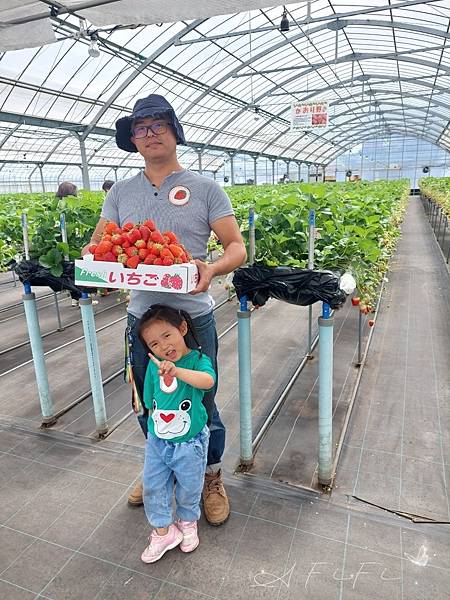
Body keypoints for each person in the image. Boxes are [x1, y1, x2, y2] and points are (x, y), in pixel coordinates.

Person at [82, 94, 247, 526]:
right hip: (142, 318)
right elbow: (101, 243)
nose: (150, 134)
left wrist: (211, 269)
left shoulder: (206, 188)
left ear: (175, 133)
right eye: (141, 128)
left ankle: (210, 475)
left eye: (159, 126)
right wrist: (92, 258)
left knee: (201, 399)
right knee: (147, 399)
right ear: (133, 140)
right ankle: (161, 467)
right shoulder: (120, 192)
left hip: (192, 316)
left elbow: (236, 248)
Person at [138, 304, 214, 562]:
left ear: (182, 328)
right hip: (158, 441)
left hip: (189, 443)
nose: (163, 347)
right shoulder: (154, 365)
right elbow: (150, 395)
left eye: (167, 336)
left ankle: (187, 522)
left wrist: (177, 370)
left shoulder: (198, 361)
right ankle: (162, 531)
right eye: (154, 344)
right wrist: (149, 416)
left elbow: (208, 382)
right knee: (152, 485)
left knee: (189, 487)